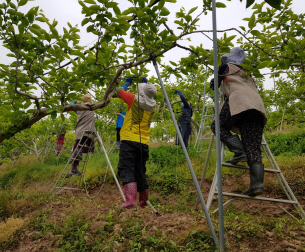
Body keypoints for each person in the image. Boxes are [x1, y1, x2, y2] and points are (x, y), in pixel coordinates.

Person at [210, 47, 267, 196]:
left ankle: (239, 151)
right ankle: (257, 185)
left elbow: (214, 83)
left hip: (239, 100)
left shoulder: (227, 67)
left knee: (217, 126)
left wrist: (215, 82)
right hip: (256, 107)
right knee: (253, 147)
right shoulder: (248, 74)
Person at [116, 76, 157, 209]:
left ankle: (130, 200)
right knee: (140, 170)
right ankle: (143, 200)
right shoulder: (153, 106)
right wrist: (145, 84)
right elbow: (146, 96)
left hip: (129, 140)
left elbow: (119, 90)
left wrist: (128, 82)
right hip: (143, 142)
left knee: (125, 168)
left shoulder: (133, 99)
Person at [69, 94, 96, 175]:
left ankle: (74, 168)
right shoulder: (92, 107)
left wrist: (74, 102)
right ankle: (79, 152)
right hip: (89, 132)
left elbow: (71, 106)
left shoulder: (79, 109)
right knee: (91, 148)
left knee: (76, 150)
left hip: (80, 132)